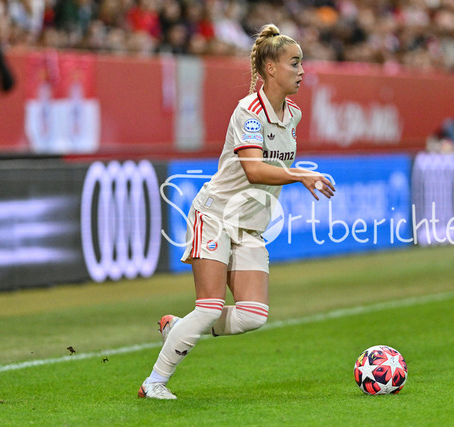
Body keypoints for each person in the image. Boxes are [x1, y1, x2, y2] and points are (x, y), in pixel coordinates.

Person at [138, 23, 335, 400]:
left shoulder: (292, 114)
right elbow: (254, 169)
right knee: (209, 306)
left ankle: (180, 328)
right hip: (215, 216)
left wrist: (296, 175)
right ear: (271, 68)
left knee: (253, 315)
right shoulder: (249, 112)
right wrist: (300, 175)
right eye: (295, 63)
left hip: (248, 227)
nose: (302, 71)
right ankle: (154, 382)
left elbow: (269, 170)